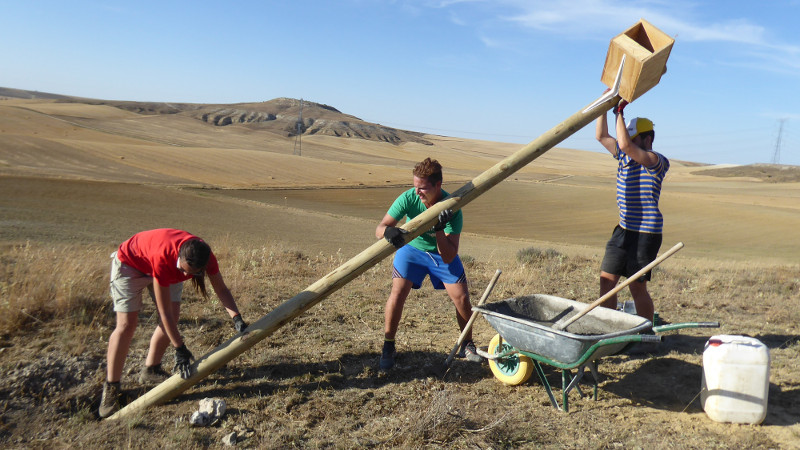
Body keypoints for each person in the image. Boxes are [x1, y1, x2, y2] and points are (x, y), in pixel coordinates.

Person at [99, 228, 248, 418]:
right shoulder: (164, 259)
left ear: (200, 269)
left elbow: (221, 289)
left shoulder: (205, 256)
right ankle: (111, 388)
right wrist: (180, 349)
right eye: (183, 270)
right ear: (179, 257)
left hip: (166, 267)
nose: (184, 274)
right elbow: (164, 313)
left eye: (189, 273)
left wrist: (237, 319)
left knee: (174, 316)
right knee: (127, 325)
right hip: (130, 265)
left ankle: (151, 369)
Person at [375, 157, 482, 372]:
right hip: (411, 250)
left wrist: (439, 228)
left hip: (441, 255)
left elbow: (450, 255)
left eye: (422, 188)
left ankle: (467, 344)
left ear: (438, 186)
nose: (417, 192)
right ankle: (388, 346)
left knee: (461, 298)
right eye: (415, 187)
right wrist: (388, 231)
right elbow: (379, 229)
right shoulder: (407, 198)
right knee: (397, 293)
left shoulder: (452, 208)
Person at [595, 98, 670, 323]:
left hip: (645, 234)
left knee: (637, 288)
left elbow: (625, 145)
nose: (627, 142)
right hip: (624, 229)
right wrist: (603, 105)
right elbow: (601, 136)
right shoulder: (624, 155)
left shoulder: (657, 161)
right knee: (607, 282)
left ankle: (645, 333)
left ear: (648, 139)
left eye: (633, 138)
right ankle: (609, 329)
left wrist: (619, 111)